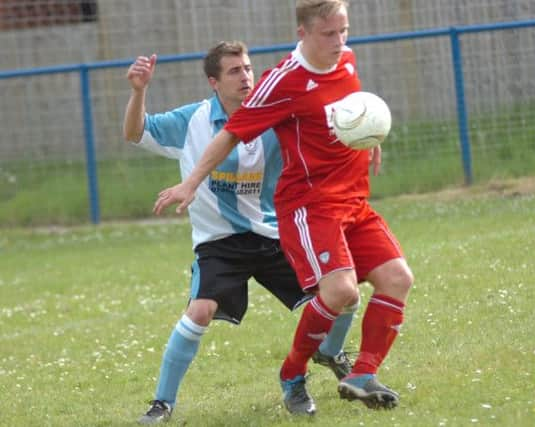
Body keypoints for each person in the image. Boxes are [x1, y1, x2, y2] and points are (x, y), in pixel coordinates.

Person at [153, 0, 414, 415]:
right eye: (329, 33)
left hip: (353, 198)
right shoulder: (282, 82)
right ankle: (292, 373)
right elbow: (231, 135)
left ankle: (362, 374)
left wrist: (370, 136)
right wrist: (191, 181)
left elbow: (352, 106)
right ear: (303, 33)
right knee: (340, 290)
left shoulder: (346, 59)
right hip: (310, 206)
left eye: (343, 30)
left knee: (398, 278)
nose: (339, 40)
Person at [123, 41, 357, 424]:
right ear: (214, 82)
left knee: (342, 293)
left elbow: (321, 137)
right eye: (234, 71)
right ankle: (161, 404)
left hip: (274, 235)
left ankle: (330, 352)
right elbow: (136, 132)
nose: (246, 76)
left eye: (248, 68)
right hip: (219, 245)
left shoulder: (275, 118)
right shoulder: (192, 121)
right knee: (199, 311)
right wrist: (139, 91)